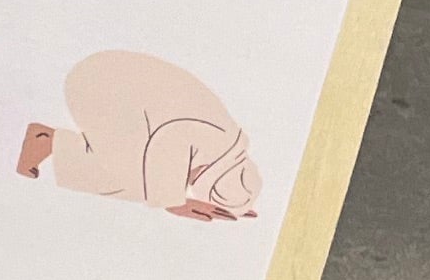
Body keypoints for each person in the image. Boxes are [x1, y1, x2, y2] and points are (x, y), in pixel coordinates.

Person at [17, 49, 260, 220]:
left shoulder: (226, 143)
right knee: (135, 180)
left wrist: (236, 205)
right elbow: (169, 141)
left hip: (119, 89)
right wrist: (173, 202)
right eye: (195, 177)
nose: (189, 179)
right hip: (103, 84)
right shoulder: (215, 142)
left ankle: (52, 143)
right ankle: (46, 141)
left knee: (145, 179)